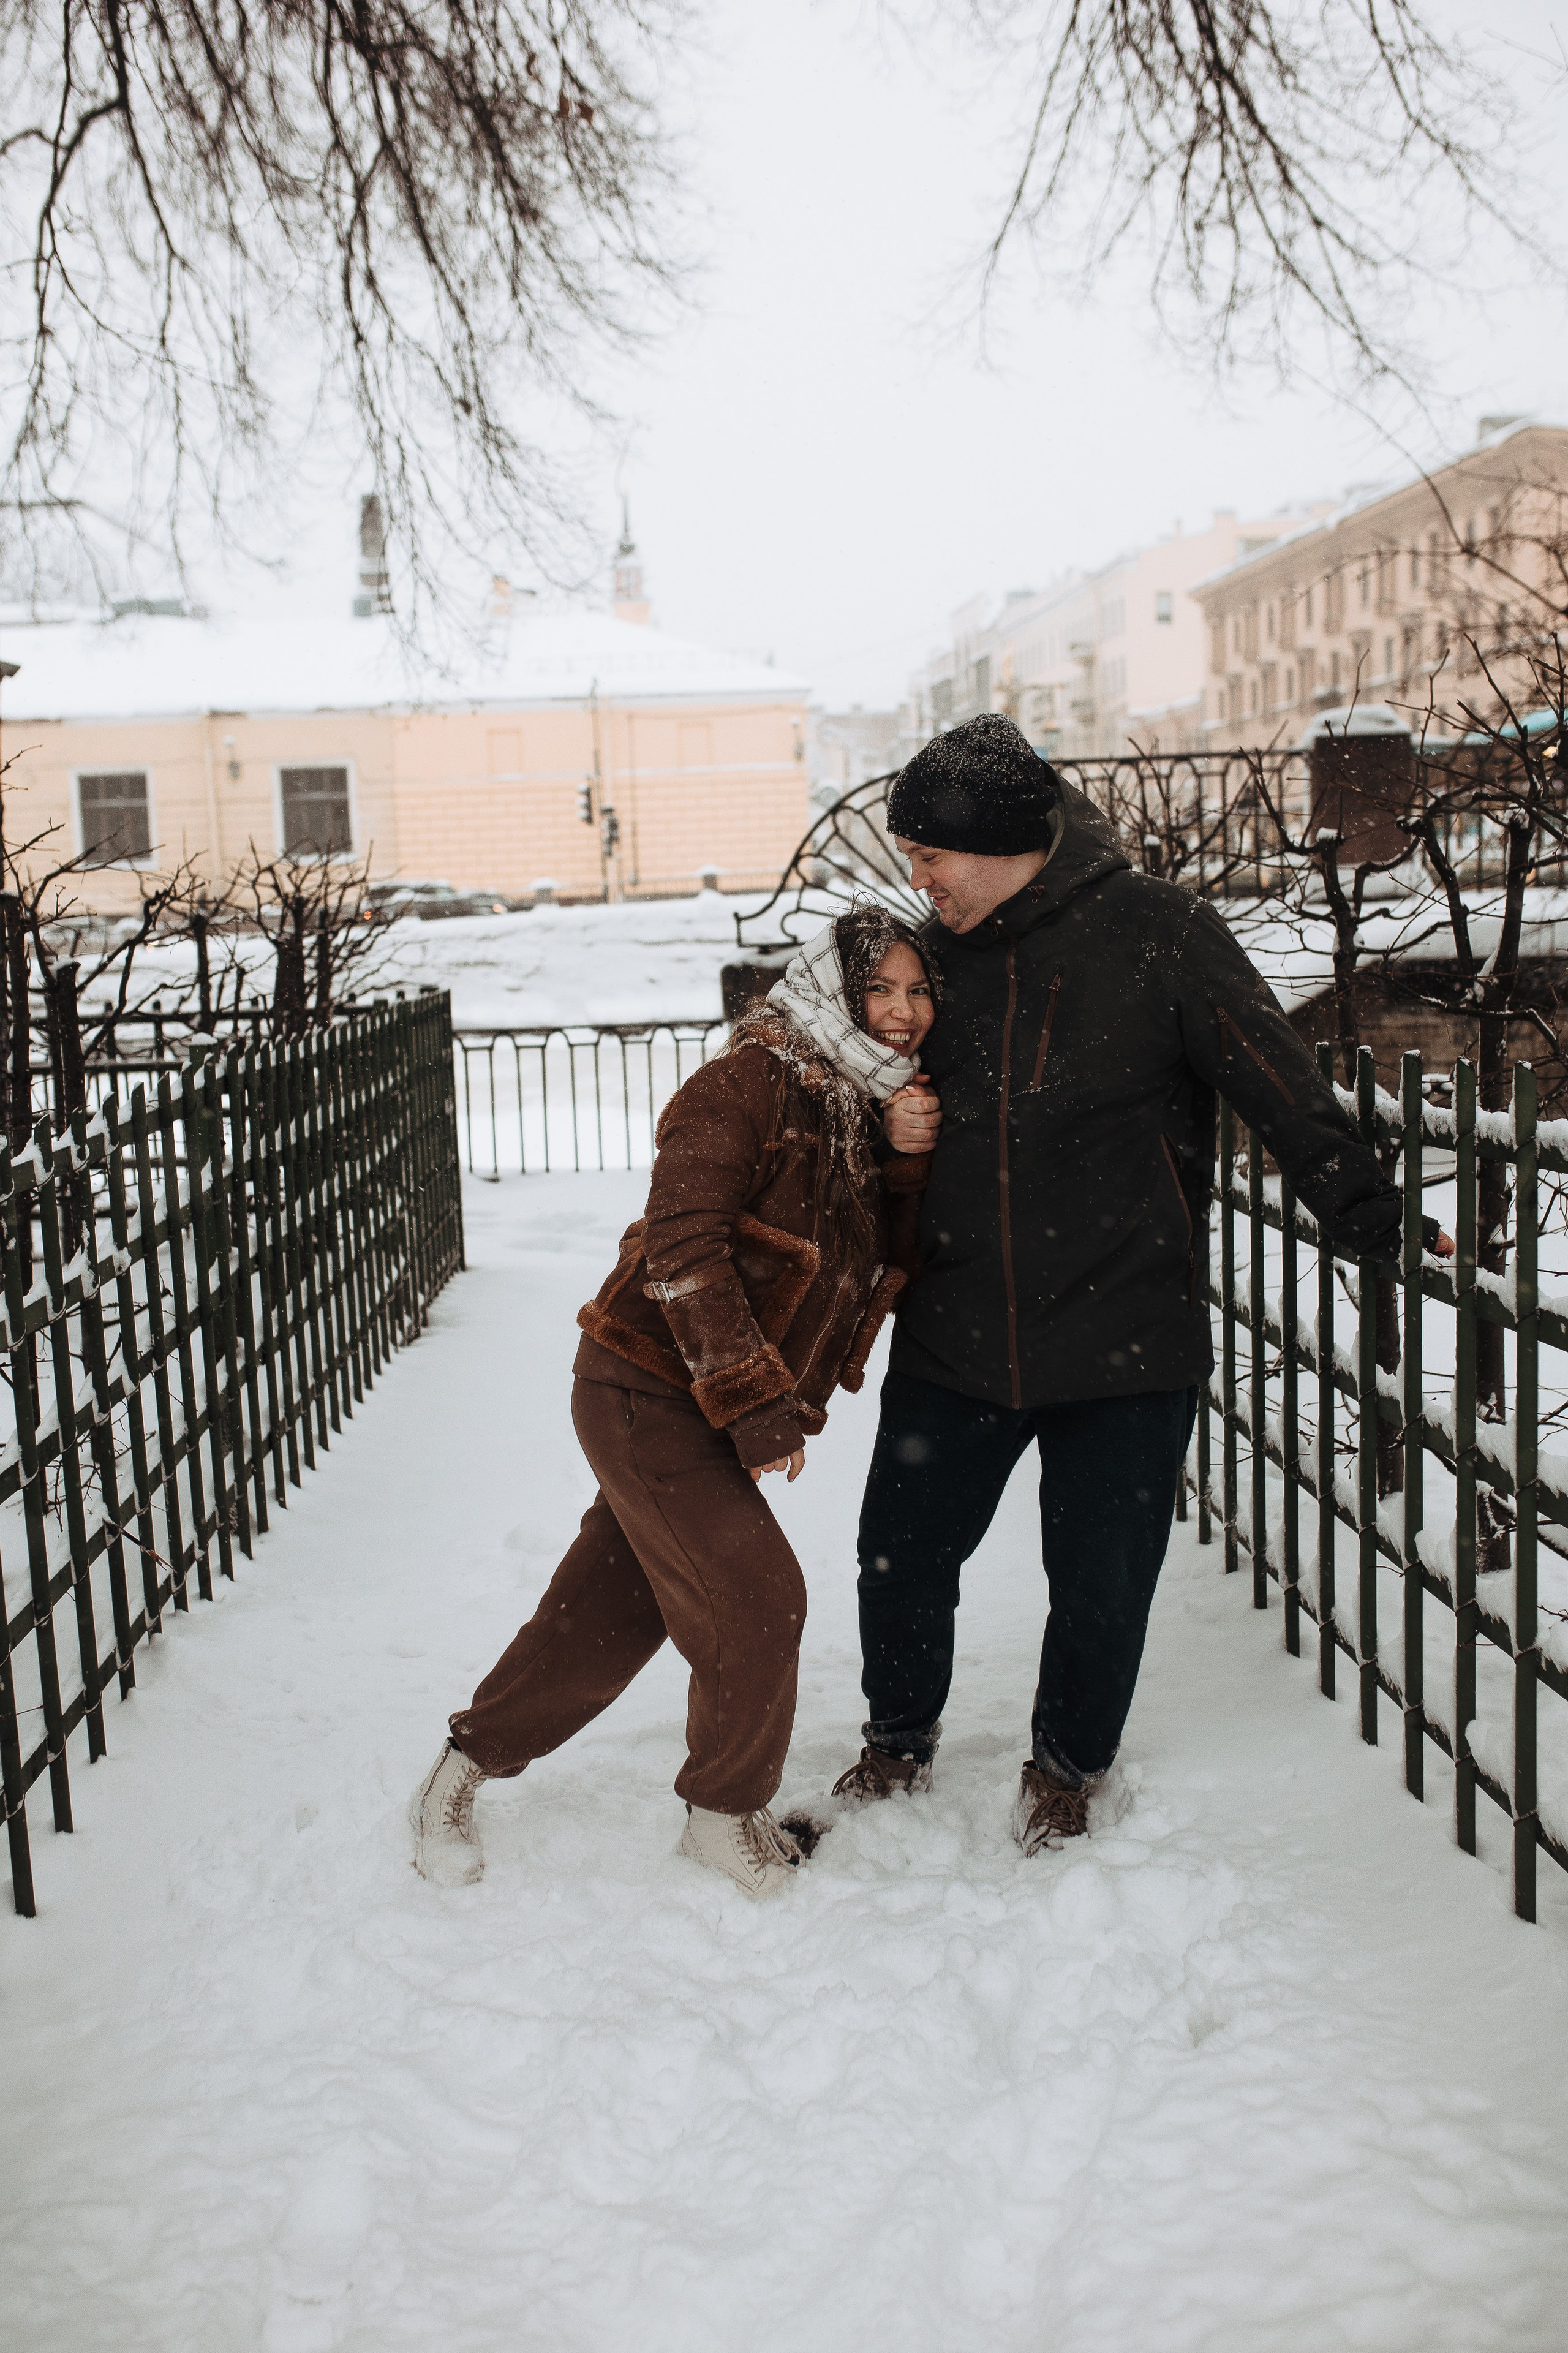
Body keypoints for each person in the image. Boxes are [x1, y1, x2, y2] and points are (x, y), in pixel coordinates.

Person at [824, 712, 1452, 1857]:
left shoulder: (1161, 932)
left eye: (930, 855)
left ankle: (1068, 1767)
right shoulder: (934, 962)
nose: (917, 879)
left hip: (1126, 1331)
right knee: (899, 1553)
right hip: (959, 1330)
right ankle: (897, 1740)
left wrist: (1375, 1216)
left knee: (1102, 1582)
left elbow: (1279, 1080)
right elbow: (843, 1080)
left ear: (1004, 841)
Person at [409, 907, 939, 1899]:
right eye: (881, 989)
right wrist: (757, 1407)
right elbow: (681, 1247)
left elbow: (884, 1263)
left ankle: (463, 1763)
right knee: (761, 1599)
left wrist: (903, 1155)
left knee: (607, 1611)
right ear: (835, 989)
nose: (904, 1013)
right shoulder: (747, 1081)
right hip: (646, 1385)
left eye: (918, 991)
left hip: (703, 1397)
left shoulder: (860, 1099)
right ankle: (721, 1814)